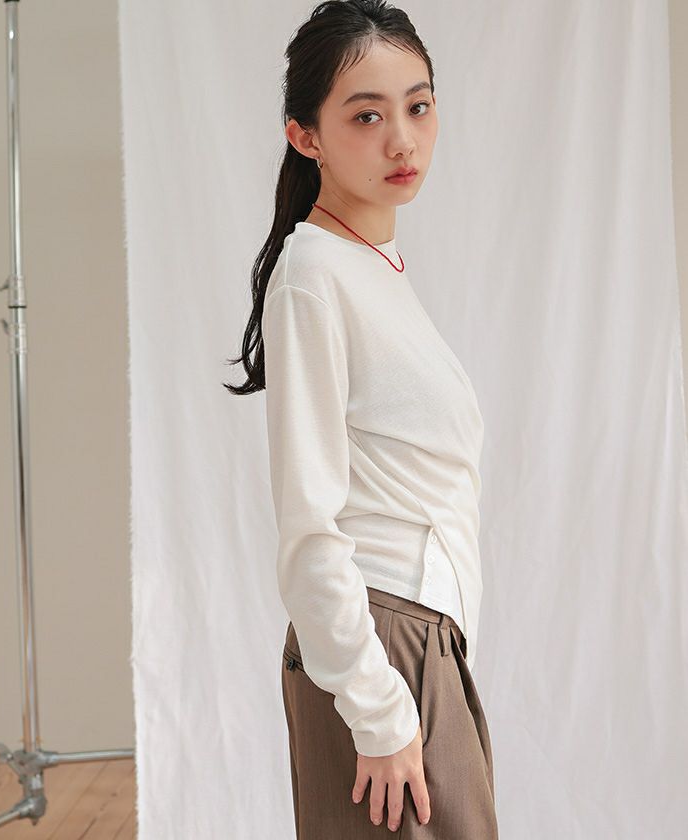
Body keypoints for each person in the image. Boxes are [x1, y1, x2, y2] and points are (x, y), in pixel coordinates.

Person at [225, 1, 498, 836]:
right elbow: (308, 527)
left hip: (415, 644)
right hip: (381, 646)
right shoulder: (314, 276)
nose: (403, 141)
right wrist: (379, 709)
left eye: (419, 106)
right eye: (367, 116)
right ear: (305, 135)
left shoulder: (371, 267)